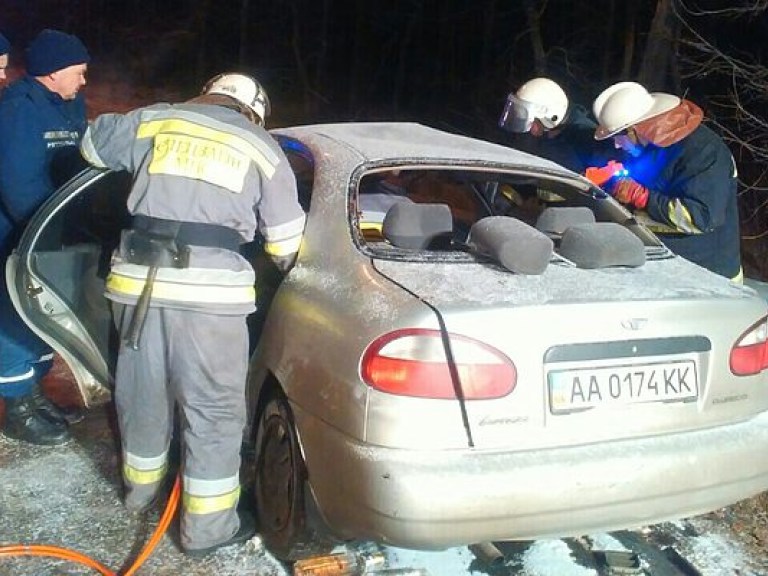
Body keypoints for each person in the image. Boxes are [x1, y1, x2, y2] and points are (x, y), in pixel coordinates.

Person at [78, 72, 306, 556]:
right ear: (256, 110)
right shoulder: (262, 148)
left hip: (137, 286)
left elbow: (92, 147)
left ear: (207, 92)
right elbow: (286, 244)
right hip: (210, 300)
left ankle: (142, 495)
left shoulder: (154, 120)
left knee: (142, 394)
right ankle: (205, 530)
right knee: (214, 411)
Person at [0, 29, 90, 446]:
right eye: (79, 72)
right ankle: (16, 408)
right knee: (13, 319)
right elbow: (17, 182)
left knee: (41, 316)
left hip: (54, 233)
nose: (84, 80)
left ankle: (34, 395)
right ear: (53, 73)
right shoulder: (19, 110)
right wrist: (44, 231)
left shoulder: (70, 105)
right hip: (21, 235)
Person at [592, 81, 741, 281]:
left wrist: (643, 198)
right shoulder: (650, 146)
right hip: (664, 268)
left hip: (708, 277)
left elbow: (701, 218)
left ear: (635, 129)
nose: (617, 146)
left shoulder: (704, 151)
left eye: (618, 137)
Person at [499, 76, 616, 174]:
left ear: (550, 117)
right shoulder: (546, 134)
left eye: (531, 121)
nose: (528, 128)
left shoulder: (586, 140)